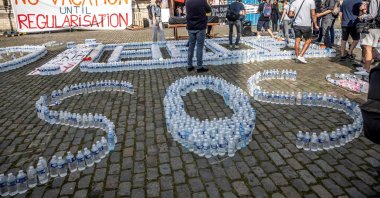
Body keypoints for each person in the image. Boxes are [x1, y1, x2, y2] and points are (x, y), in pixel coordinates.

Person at [354, 0, 380, 76]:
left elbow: (372, 15)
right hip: (376, 27)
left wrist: (363, 16)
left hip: (372, 27)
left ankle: (366, 70)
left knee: (367, 48)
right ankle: (365, 67)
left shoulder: (374, 1)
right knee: (369, 48)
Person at [186, 0, 212, 72]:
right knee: (199, 46)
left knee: (191, 46)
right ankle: (199, 67)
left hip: (190, 26)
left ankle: (189, 65)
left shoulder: (187, 1)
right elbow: (209, 10)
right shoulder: (202, 1)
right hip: (200, 26)